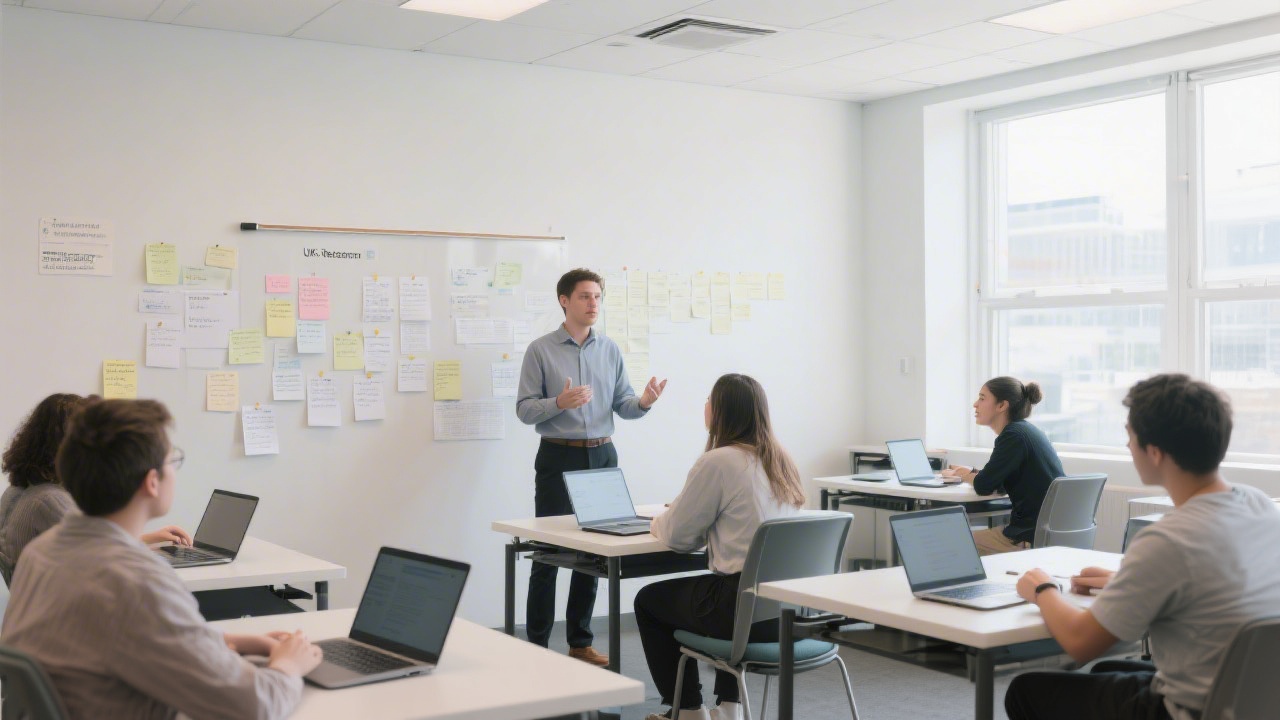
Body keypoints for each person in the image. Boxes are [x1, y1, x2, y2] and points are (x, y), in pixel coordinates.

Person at [1, 398, 322, 719]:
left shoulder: (43, 553)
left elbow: (129, 636)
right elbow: (256, 706)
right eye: (173, 460)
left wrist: (231, 640)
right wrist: (288, 665)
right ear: (151, 481)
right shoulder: (137, 582)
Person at [1004, 374, 1280, 720]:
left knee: (1025, 691)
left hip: (1188, 710)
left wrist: (1042, 589)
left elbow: (1079, 642)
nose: (1127, 447)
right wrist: (1128, 579)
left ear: (1155, 453)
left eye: (1130, 437)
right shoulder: (1259, 505)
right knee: (1108, 674)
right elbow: (1221, 577)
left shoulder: (1167, 540)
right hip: (1252, 700)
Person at [516, 268, 667, 666]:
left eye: (598, 296)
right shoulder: (540, 350)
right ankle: (535, 645)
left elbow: (625, 406)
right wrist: (558, 404)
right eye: (585, 296)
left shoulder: (610, 349)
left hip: (602, 456)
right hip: (557, 455)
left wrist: (645, 402)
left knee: (595, 552)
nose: (593, 303)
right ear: (564, 300)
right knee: (548, 553)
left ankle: (580, 641)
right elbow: (524, 410)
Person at [635, 374, 804, 720]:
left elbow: (679, 537)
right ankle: (729, 708)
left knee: (649, 601)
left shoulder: (719, 461)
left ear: (722, 411)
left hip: (739, 611)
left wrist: (657, 521)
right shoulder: (782, 461)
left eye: (709, 400)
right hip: (789, 614)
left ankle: (687, 711)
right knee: (725, 589)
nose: (705, 407)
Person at [0, 393, 190, 584]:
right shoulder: (50, 500)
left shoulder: (16, 491)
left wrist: (148, 538)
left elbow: (93, 545)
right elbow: (102, 554)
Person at [942, 377, 1064, 554]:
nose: (975, 404)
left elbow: (983, 486)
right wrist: (972, 473)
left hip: (1026, 537)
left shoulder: (1012, 436)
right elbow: (999, 479)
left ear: (1001, 406)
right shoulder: (1027, 431)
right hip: (1046, 533)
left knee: (945, 542)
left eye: (982, 398)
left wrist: (963, 475)